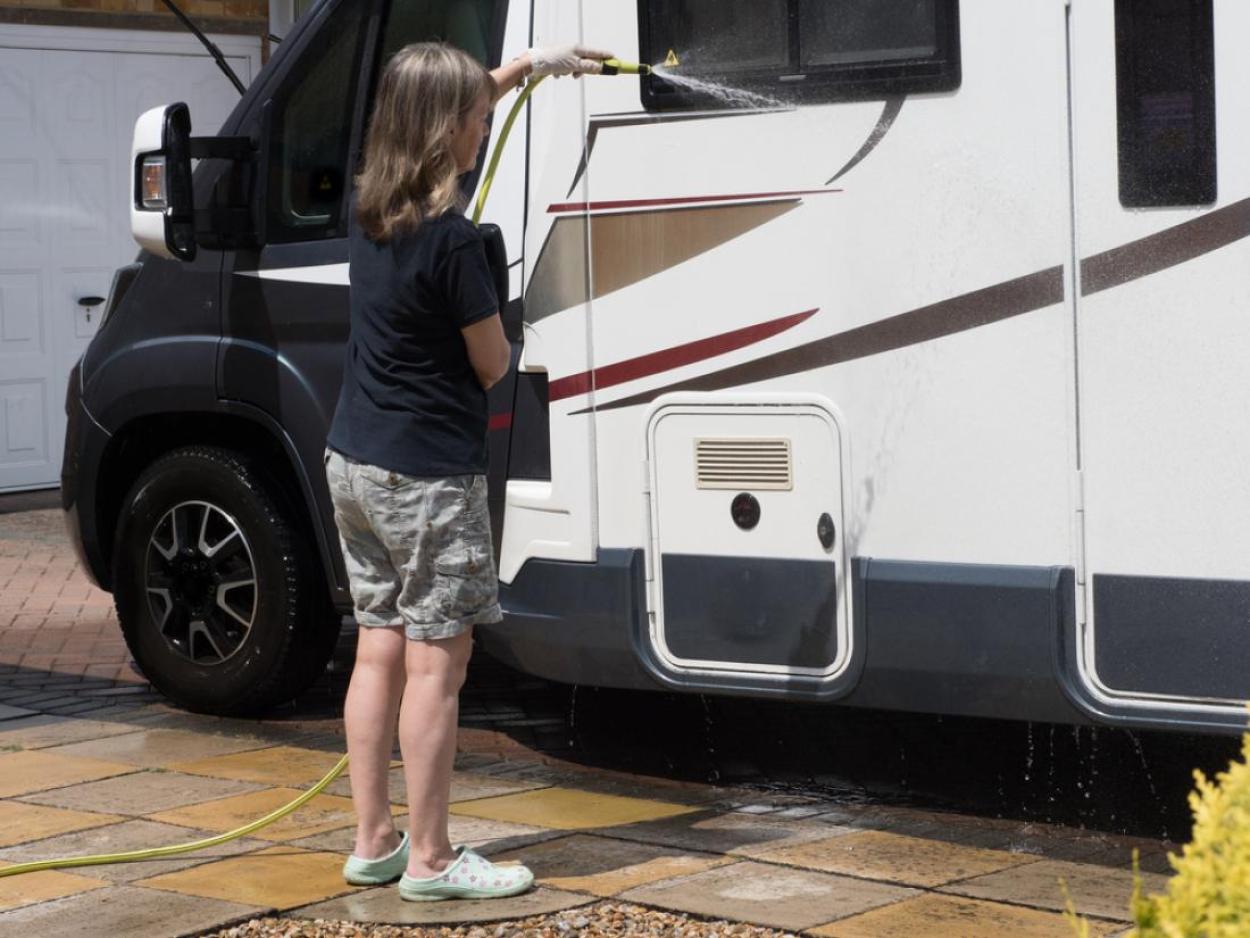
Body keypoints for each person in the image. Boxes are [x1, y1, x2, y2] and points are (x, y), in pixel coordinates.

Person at [324, 40, 611, 901]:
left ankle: (374, 840)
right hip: (426, 479)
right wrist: (494, 301)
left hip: (355, 464)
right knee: (436, 666)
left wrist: (528, 65)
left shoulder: (369, 210)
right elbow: (490, 365)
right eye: (479, 120)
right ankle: (433, 859)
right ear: (445, 127)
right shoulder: (451, 244)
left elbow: (447, 94)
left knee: (377, 651)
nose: (487, 128)